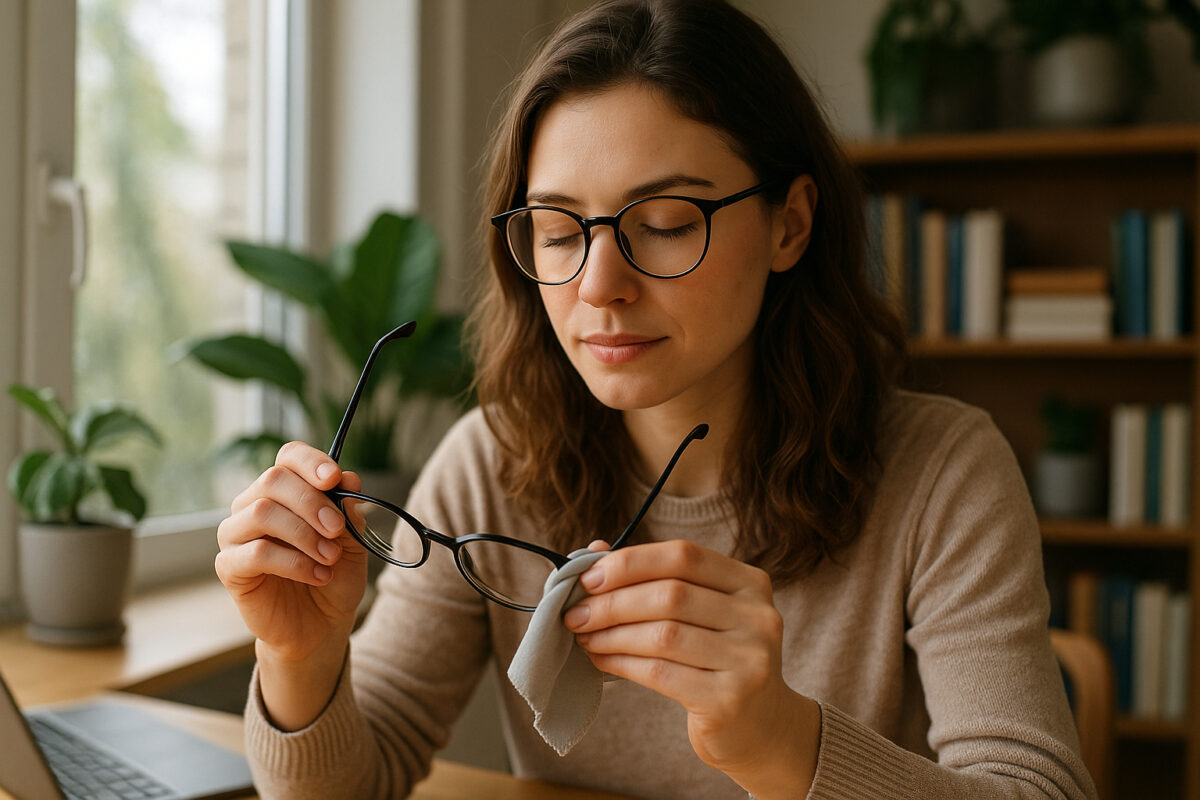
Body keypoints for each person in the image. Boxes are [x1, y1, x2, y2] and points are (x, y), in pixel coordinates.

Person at [214, 1, 1098, 798]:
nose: (600, 285)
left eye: (667, 223)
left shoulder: (943, 472)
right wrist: (300, 656)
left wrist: (782, 742)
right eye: (558, 232)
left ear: (790, 222)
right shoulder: (491, 461)